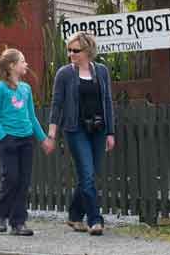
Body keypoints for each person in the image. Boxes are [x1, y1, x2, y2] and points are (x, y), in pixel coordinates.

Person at [48, 32, 116, 235]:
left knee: (90, 175)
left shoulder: (102, 71)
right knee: (86, 175)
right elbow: (57, 104)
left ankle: (74, 216)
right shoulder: (64, 73)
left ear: (87, 51)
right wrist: (52, 133)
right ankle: (95, 220)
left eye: (75, 50)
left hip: (98, 129)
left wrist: (110, 132)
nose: (71, 54)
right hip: (75, 129)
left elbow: (107, 102)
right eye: (69, 50)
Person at [0, 48, 55, 236]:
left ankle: (18, 223)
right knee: (11, 178)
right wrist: (4, 137)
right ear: (12, 66)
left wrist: (43, 139)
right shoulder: (0, 88)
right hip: (9, 140)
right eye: (23, 61)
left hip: (26, 140)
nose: (26, 64)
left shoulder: (26, 89)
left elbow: (32, 117)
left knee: (23, 181)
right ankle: (1, 214)